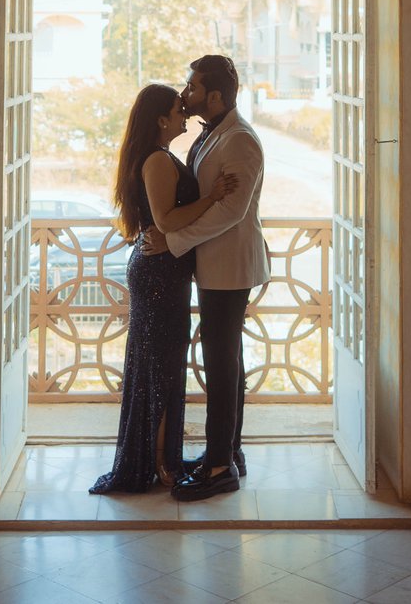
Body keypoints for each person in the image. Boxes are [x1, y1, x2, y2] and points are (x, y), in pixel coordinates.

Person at [89, 82, 240, 494]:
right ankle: (157, 463)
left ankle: (162, 457)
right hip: (157, 277)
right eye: (177, 109)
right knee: (159, 370)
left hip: (165, 273)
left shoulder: (163, 156)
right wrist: (211, 197)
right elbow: (168, 221)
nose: (184, 114)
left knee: (165, 367)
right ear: (160, 120)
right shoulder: (157, 160)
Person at [140, 54, 268, 502]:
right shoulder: (213, 134)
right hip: (213, 265)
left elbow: (231, 212)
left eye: (192, 88)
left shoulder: (241, 141)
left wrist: (173, 242)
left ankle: (219, 468)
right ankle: (227, 451)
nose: (185, 93)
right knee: (225, 360)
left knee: (220, 363)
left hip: (230, 267)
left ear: (214, 96)